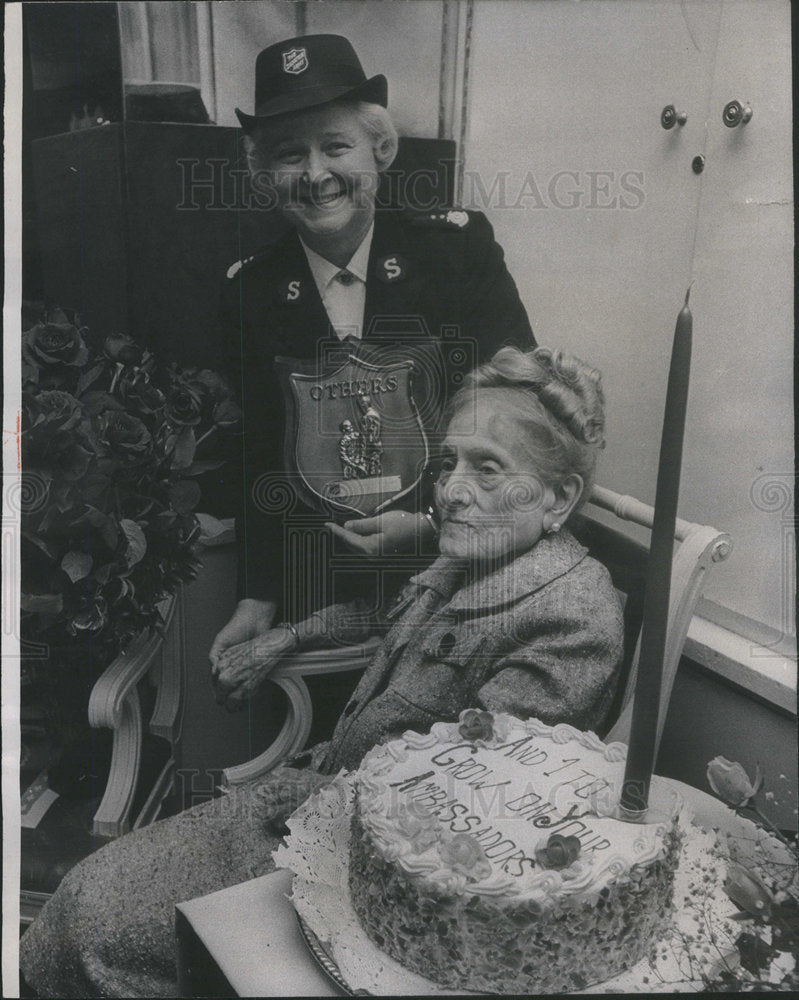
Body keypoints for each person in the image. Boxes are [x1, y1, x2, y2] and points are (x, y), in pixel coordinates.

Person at [20, 346, 623, 997]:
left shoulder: (569, 618)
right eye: (447, 463)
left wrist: (313, 813)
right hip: (315, 807)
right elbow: (381, 614)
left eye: (486, 468)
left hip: (369, 882)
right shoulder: (474, 558)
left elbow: (473, 812)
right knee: (89, 894)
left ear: (559, 498)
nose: (449, 490)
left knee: (99, 931)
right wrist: (286, 635)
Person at [208, 33, 535, 714]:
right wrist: (256, 594)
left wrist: (433, 522)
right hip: (320, 584)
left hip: (461, 567)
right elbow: (258, 456)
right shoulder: (249, 291)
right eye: (288, 155)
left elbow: (516, 413)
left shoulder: (456, 252)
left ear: (377, 151)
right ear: (266, 175)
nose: (315, 173)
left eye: (335, 146)